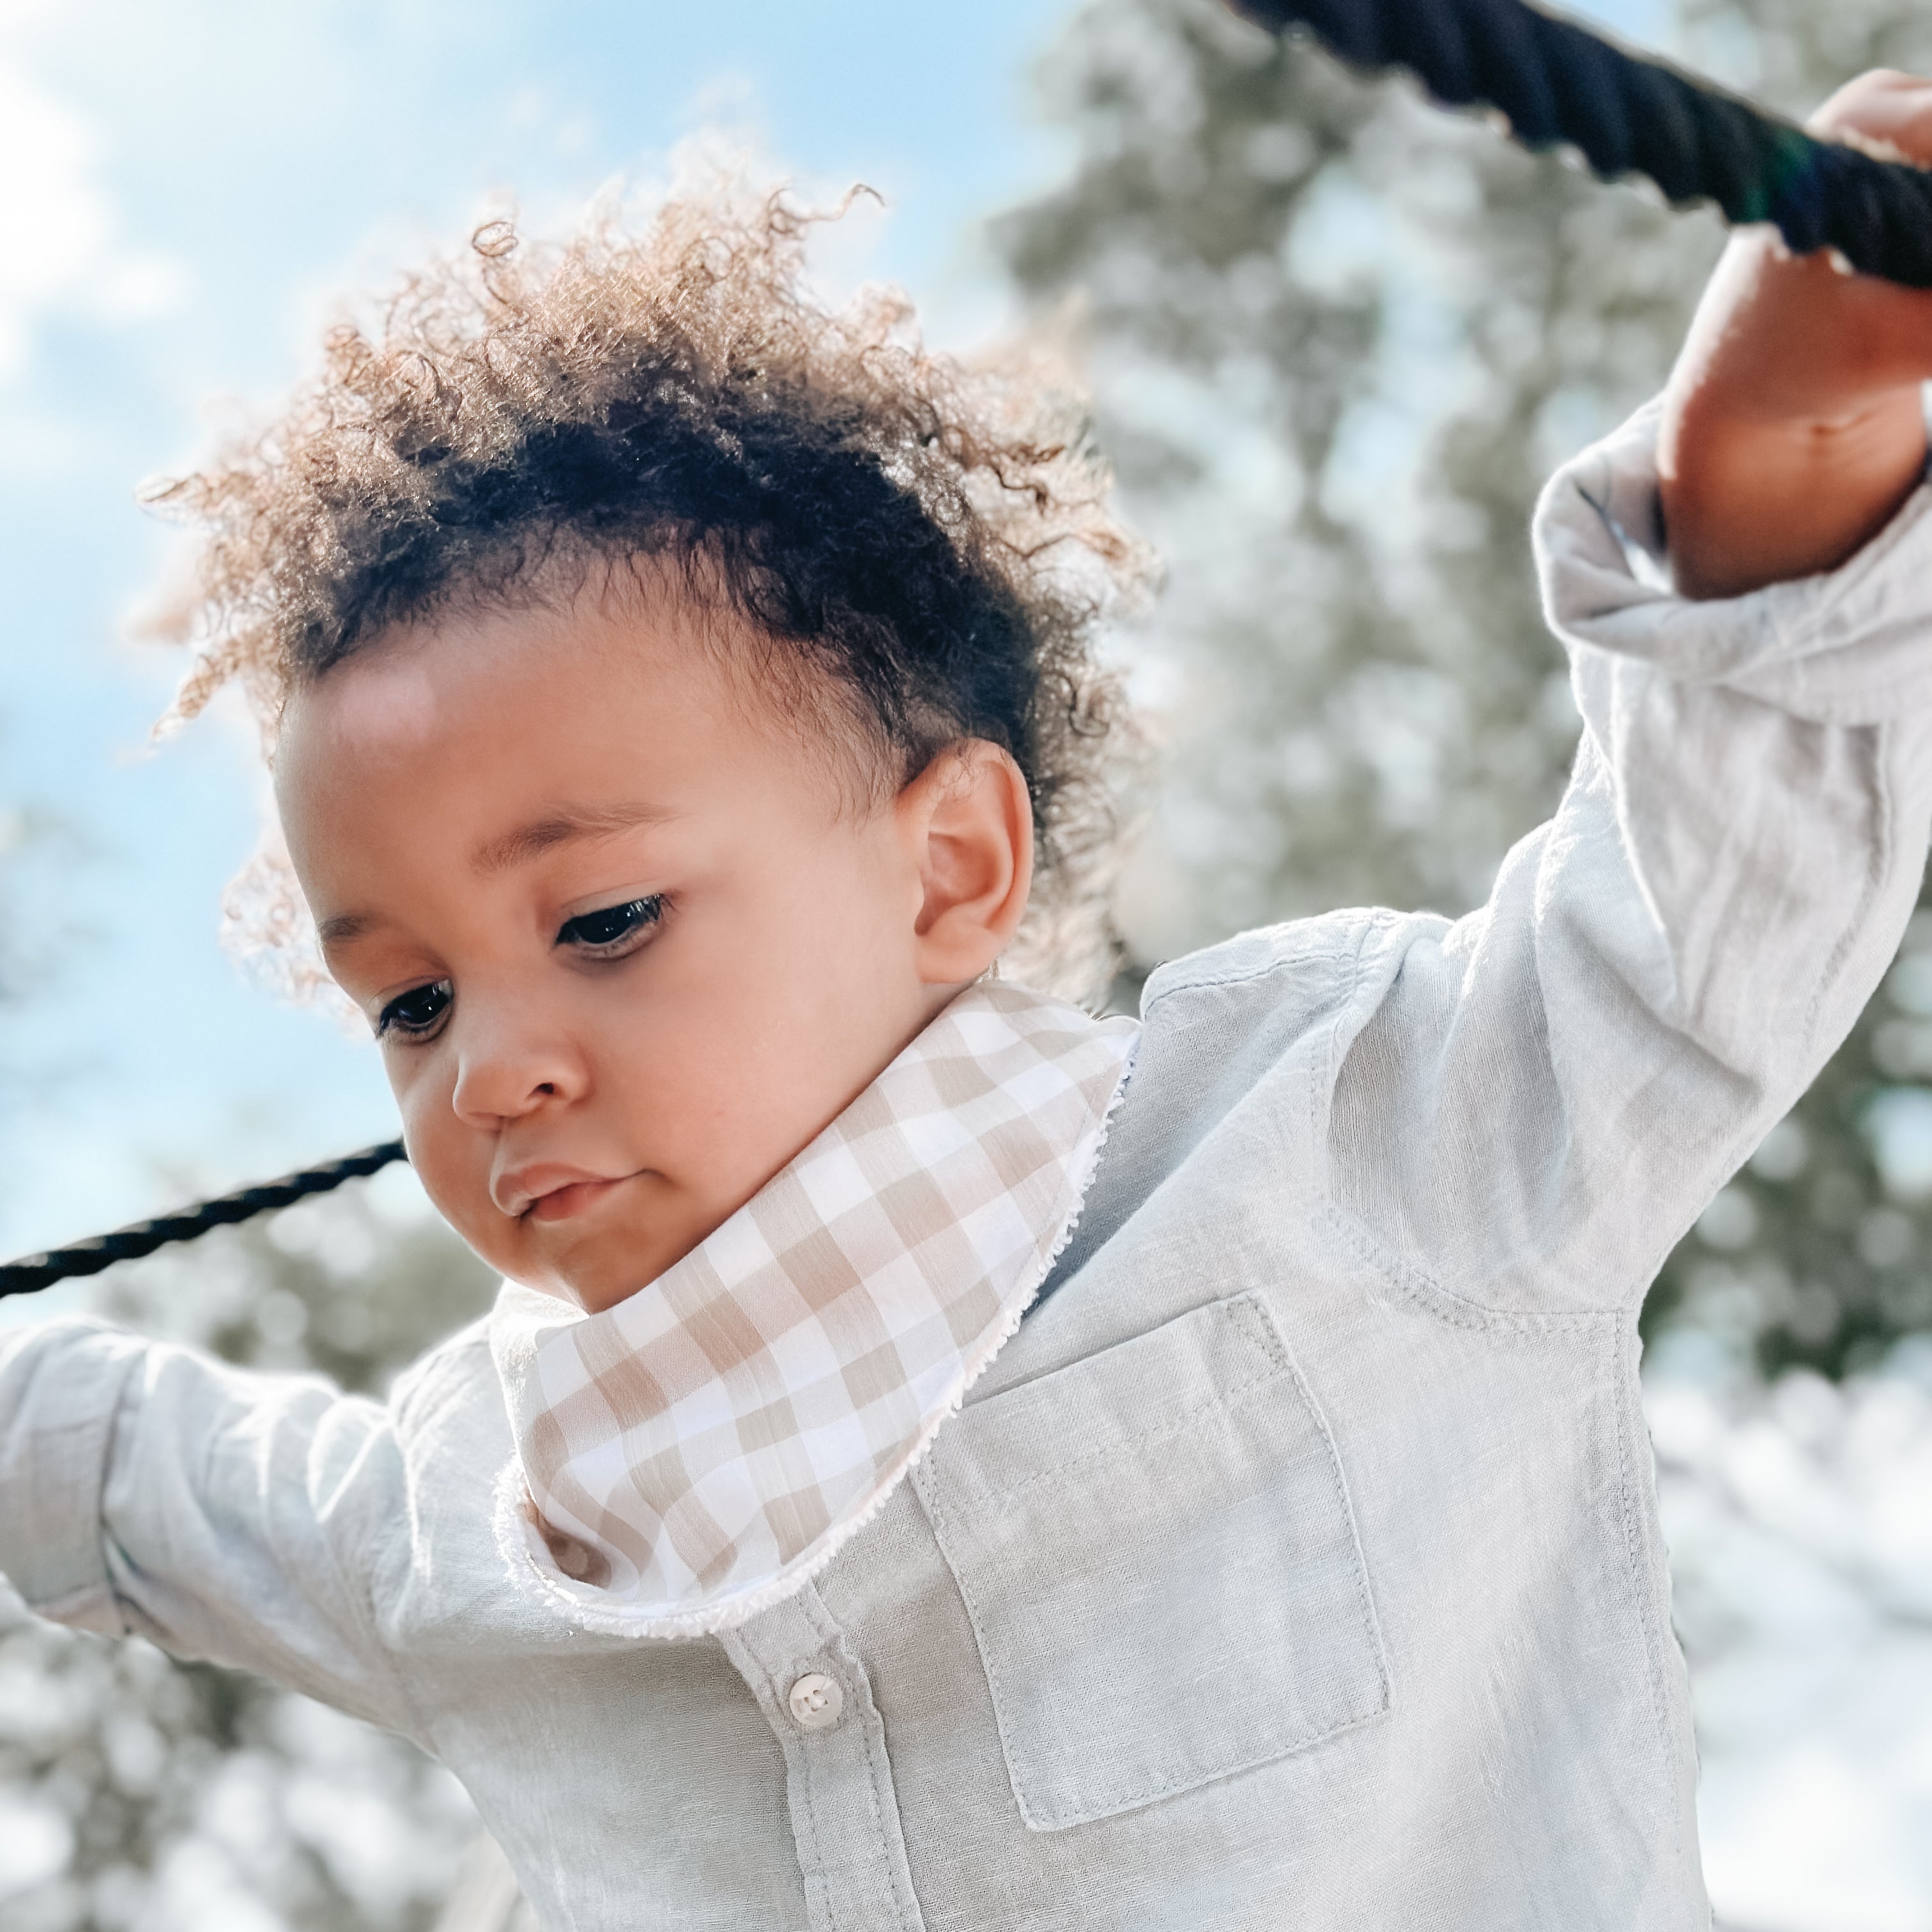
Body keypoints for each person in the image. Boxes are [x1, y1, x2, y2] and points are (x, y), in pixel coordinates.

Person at [8, 59, 1932, 1932]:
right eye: (409, 1006)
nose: (491, 1069)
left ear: (949, 871)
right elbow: (104, 1471)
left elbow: (1684, 930)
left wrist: (1770, 479)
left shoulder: (1344, 1165)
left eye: (601, 922)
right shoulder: (464, 1522)